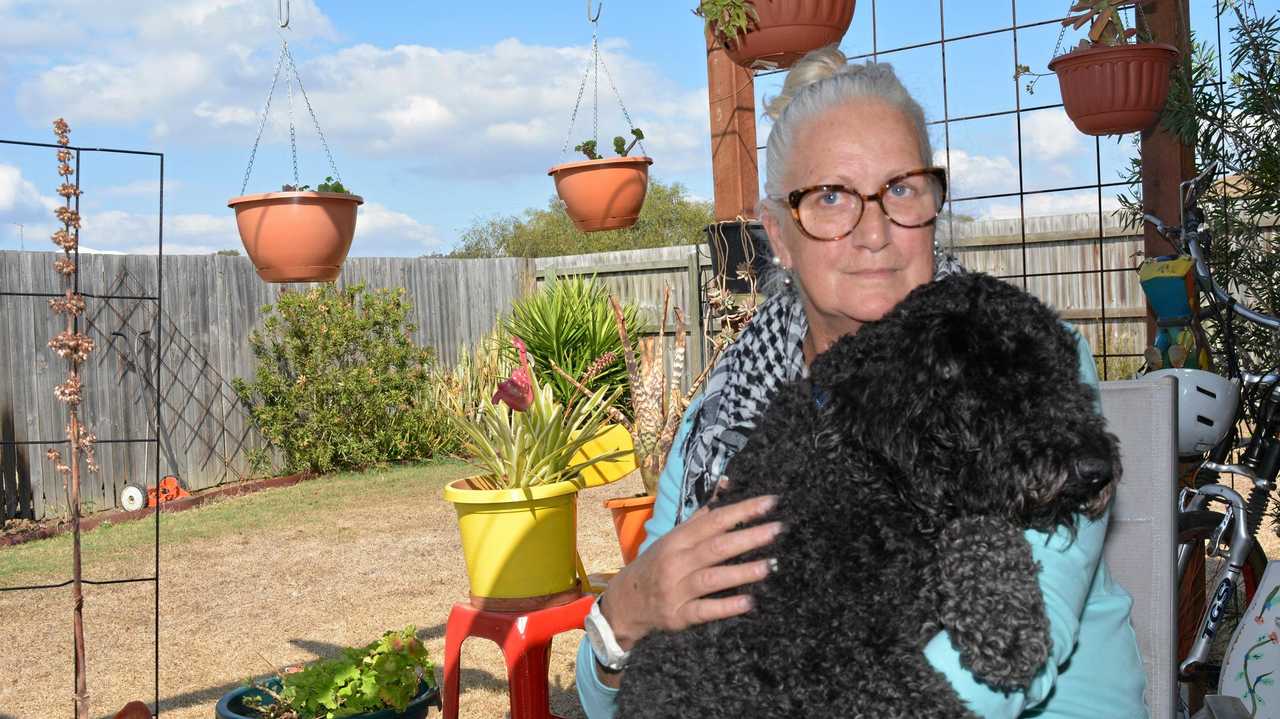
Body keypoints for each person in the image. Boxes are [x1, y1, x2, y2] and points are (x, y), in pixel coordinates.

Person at [576, 46, 1147, 717]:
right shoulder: (723, 414)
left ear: (934, 207)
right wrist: (624, 612)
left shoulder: (1022, 365)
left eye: (900, 189)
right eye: (830, 197)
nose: (874, 231)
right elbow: (603, 695)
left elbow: (999, 666)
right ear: (779, 235)